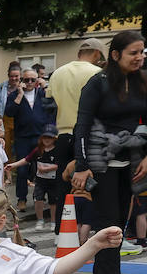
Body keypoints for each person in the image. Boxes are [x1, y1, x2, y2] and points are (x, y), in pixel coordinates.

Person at [71, 30, 147, 274]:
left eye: (142, 52)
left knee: (119, 220)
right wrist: (82, 166)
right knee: (109, 223)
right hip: (100, 161)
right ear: (116, 54)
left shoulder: (143, 80)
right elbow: (81, 126)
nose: (140, 58)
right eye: (134, 53)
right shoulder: (97, 83)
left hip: (130, 161)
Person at [45, 37, 107, 230]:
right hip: (89, 134)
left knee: (63, 185)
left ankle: (62, 230)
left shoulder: (57, 73)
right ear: (97, 54)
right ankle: (95, 227)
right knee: (95, 184)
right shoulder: (98, 73)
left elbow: (49, 104)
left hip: (63, 134)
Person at [5, 123, 70, 233]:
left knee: (53, 202)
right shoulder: (38, 150)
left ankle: (54, 221)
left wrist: (48, 169)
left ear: (54, 138)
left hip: (54, 180)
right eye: (45, 137)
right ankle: (40, 220)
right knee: (38, 199)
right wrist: (14, 165)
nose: (47, 140)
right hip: (40, 180)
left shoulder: (58, 150)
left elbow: (62, 164)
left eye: (50, 137)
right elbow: (26, 159)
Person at [3, 66, 52, 208]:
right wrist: (19, 95)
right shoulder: (14, 95)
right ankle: (21, 198)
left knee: (43, 167)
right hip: (22, 137)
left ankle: (44, 197)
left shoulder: (42, 94)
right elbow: (9, 112)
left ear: (37, 80)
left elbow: (52, 110)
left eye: (32, 80)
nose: (29, 82)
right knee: (22, 168)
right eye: (26, 80)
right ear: (22, 81)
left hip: (40, 136)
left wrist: (46, 89)